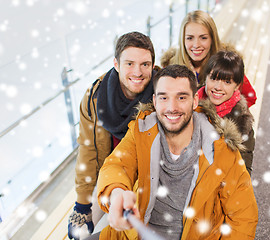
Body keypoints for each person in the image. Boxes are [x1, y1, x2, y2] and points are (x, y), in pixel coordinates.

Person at [96, 64, 258, 240]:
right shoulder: (140, 132)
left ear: (195, 101)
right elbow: (116, 165)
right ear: (155, 101)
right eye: (164, 98)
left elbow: (243, 216)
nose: (172, 107)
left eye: (181, 97)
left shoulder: (222, 149)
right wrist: (116, 192)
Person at [68, 31, 157, 240]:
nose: (138, 71)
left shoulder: (160, 95)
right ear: (116, 64)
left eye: (145, 64)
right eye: (129, 64)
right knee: (76, 234)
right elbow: (87, 150)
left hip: (145, 177)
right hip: (110, 174)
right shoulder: (95, 99)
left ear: (153, 66)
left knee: (126, 229)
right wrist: (82, 203)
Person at [160, 10, 257, 107]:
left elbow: (250, 97)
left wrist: (221, 113)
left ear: (212, 39)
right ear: (183, 40)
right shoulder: (169, 69)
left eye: (203, 38)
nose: (196, 45)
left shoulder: (226, 64)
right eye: (190, 38)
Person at [198, 49, 255, 175]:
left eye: (227, 82)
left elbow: (243, 173)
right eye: (213, 78)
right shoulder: (189, 104)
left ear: (237, 86)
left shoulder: (242, 122)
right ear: (205, 78)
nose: (218, 87)